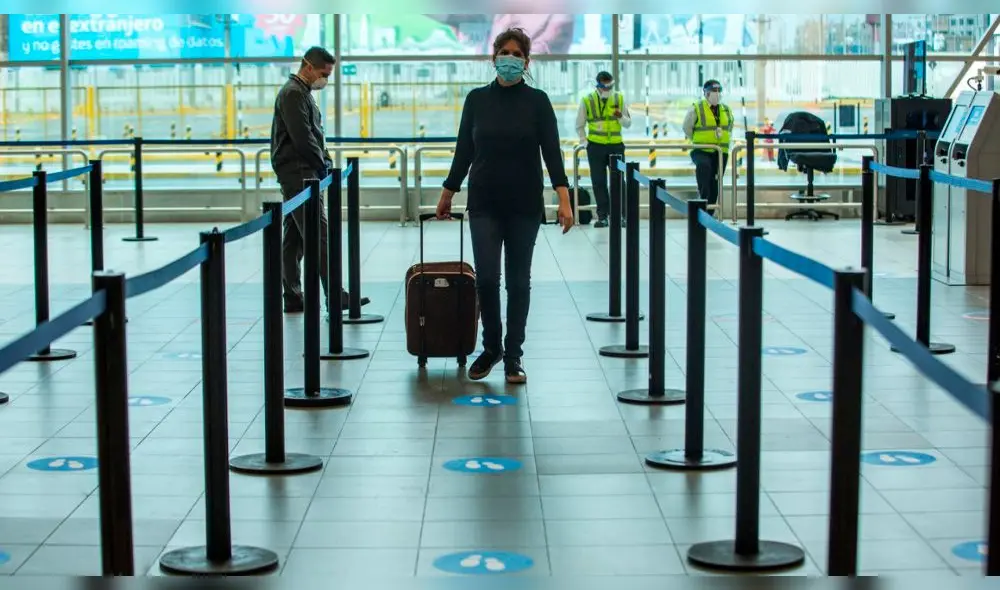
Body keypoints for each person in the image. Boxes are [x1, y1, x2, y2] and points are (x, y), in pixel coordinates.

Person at [437, 27, 573, 385]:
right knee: (485, 279)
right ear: (493, 56)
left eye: (517, 54)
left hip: (524, 204)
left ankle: (513, 355)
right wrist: (449, 190)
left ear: (526, 62)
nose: (509, 58)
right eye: (504, 52)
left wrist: (564, 198)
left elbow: (553, 153)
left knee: (518, 282)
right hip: (483, 201)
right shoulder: (476, 100)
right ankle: (492, 347)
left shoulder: (538, 102)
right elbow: (464, 150)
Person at [270, 46, 369, 314]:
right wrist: (323, 167)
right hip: (300, 175)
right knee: (319, 234)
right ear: (308, 67)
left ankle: (292, 295)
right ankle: (335, 295)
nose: (325, 79)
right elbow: (303, 138)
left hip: (303, 172)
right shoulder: (292, 94)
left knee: (294, 237)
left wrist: (322, 163)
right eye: (323, 73)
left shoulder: (302, 93)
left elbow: (313, 135)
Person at [576, 70, 632, 228]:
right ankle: (603, 216)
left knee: (619, 182)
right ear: (598, 86)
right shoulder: (587, 100)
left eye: (611, 86)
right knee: (598, 182)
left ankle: (623, 215)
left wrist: (620, 116)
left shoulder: (619, 98)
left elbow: (628, 124)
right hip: (595, 146)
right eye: (606, 87)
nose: (608, 90)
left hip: (615, 144)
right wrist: (584, 142)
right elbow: (579, 125)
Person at [683, 79, 734, 211]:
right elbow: (687, 127)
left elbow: (730, 127)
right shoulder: (697, 108)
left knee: (715, 181)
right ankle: (702, 204)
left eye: (719, 91)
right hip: (701, 150)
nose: (717, 94)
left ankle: (709, 213)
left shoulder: (726, 110)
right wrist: (697, 139)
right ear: (705, 93)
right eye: (713, 91)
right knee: (704, 171)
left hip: (721, 151)